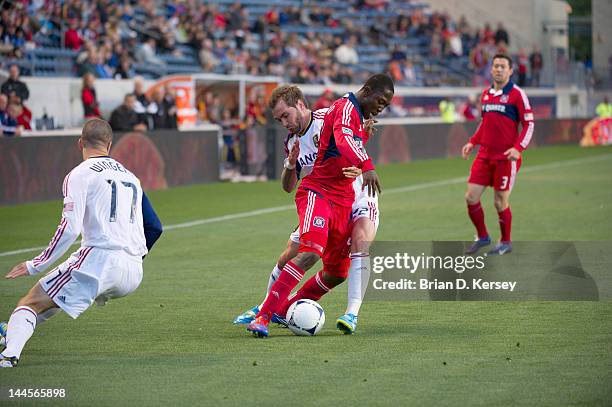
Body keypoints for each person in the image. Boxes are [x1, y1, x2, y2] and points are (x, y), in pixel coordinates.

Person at [0, 118, 162, 368]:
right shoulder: (132, 177)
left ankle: (9, 355)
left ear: (80, 143)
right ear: (110, 144)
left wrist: (35, 264)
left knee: (30, 301)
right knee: (56, 296)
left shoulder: (79, 174)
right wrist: (132, 259)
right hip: (133, 272)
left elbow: (70, 228)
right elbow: (155, 227)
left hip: (99, 261)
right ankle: (11, 332)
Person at [247, 74, 394, 337]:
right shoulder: (296, 139)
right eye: (279, 119)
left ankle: (282, 309)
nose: (284, 123)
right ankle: (263, 313)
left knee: (338, 272)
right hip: (318, 193)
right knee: (304, 251)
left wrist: (362, 149)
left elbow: (348, 139)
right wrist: (292, 165)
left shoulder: (331, 114)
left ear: (301, 105)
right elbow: (289, 185)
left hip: (348, 196)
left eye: (285, 116)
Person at [462, 54, 535, 256]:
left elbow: (529, 124)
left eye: (503, 66)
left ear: (510, 71)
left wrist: (518, 148)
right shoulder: (486, 94)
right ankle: (483, 236)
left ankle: (506, 242)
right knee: (470, 197)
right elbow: (485, 123)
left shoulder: (517, 94)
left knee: (499, 201)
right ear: (491, 69)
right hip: (484, 155)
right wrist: (472, 142)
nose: (499, 69)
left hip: (506, 157)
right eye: (496, 66)